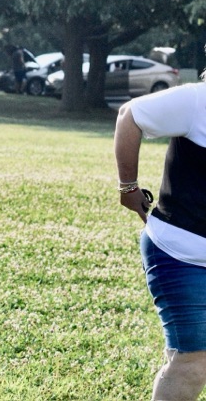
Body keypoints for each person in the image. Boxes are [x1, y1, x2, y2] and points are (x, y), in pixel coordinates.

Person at [114, 74, 206, 401]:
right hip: (181, 255)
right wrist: (128, 187)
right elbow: (130, 116)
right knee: (192, 363)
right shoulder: (198, 100)